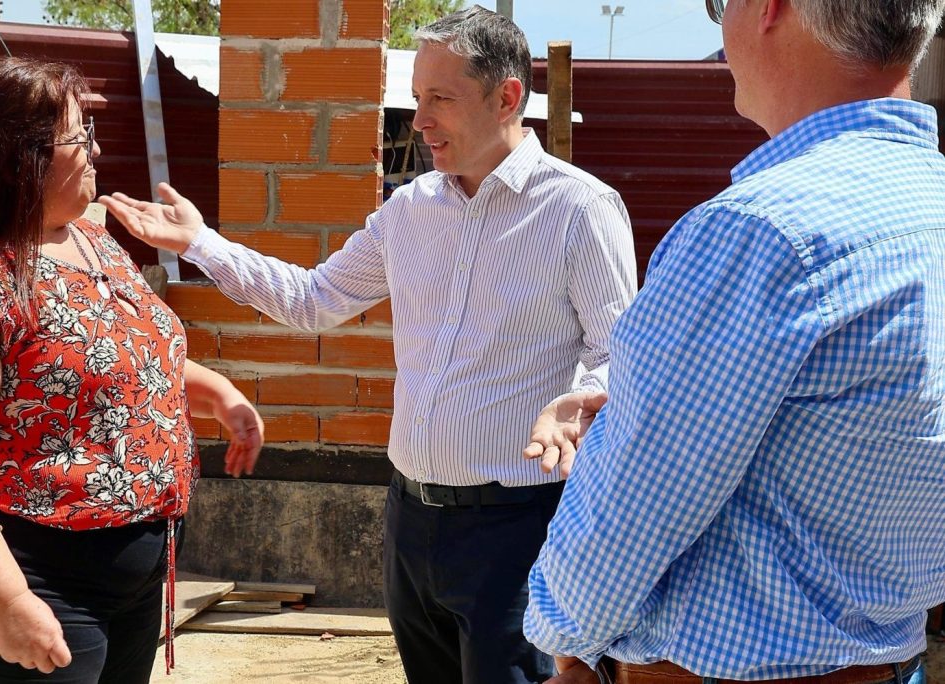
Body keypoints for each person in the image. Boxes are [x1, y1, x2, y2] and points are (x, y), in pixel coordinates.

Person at [99, 7, 637, 683]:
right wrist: (201, 243)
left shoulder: (580, 209)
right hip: (410, 524)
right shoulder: (410, 211)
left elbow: (620, 352)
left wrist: (577, 400)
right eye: (417, 97)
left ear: (507, 97)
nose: (421, 121)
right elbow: (314, 298)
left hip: (521, 529)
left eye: (440, 98)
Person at [524, 1, 945, 683]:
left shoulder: (761, 230)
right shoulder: (926, 203)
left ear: (771, 7)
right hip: (891, 661)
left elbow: (631, 514)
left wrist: (564, 637)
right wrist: (631, 411)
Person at [0, 57, 263, 684]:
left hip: (135, 573)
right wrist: (7, 603)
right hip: (33, 577)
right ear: (20, 158)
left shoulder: (90, 241)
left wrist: (218, 395)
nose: (96, 149)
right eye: (79, 135)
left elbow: (119, 360)